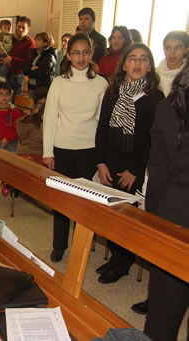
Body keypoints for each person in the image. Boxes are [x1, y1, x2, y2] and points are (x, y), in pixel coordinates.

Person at [94, 44, 164, 284]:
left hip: (134, 167)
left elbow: (152, 140)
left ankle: (122, 264)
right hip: (110, 163)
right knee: (111, 217)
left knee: (127, 220)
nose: (137, 63)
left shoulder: (155, 98)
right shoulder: (114, 91)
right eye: (132, 59)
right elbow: (102, 128)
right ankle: (115, 257)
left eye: (143, 59)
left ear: (149, 65)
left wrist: (135, 170)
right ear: (124, 64)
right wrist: (101, 162)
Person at [130, 30, 188, 316]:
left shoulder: (163, 100)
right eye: (169, 47)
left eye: (179, 48)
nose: (173, 52)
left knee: (168, 302)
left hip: (177, 200)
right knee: (168, 288)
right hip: (171, 195)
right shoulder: (170, 102)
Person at [42, 33, 108, 262]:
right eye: (76, 53)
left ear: (91, 54)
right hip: (62, 149)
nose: (81, 57)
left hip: (89, 150)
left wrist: (103, 156)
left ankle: (82, 246)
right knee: (62, 202)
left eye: (85, 52)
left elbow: (103, 123)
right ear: (68, 55)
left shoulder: (101, 83)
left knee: (85, 204)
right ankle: (59, 245)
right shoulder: (59, 82)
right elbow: (50, 118)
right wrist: (47, 151)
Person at [142, 61, 189, 341]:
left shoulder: (169, 106)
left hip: (175, 210)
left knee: (164, 309)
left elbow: (157, 172)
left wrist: (155, 221)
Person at [0, 16, 35, 103]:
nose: (20, 29)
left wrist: (12, 60)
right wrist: (1, 60)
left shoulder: (30, 43)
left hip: (17, 76)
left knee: (15, 103)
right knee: (2, 101)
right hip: (4, 74)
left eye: (23, 27)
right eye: (18, 26)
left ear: (29, 28)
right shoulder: (10, 38)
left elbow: (28, 61)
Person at [15, 86, 48, 162]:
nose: (43, 107)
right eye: (40, 104)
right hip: (29, 154)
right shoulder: (29, 120)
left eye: (46, 104)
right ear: (35, 105)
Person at [23, 32, 57, 98]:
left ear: (45, 43)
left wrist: (29, 72)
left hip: (42, 87)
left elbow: (42, 72)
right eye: (36, 39)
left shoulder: (49, 56)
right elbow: (24, 68)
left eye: (39, 40)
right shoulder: (34, 53)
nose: (35, 41)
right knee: (33, 107)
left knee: (41, 107)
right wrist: (31, 68)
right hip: (31, 86)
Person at [157, 31, 189, 97]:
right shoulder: (155, 75)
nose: (172, 53)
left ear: (186, 49)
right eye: (168, 48)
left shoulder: (186, 77)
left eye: (177, 48)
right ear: (163, 49)